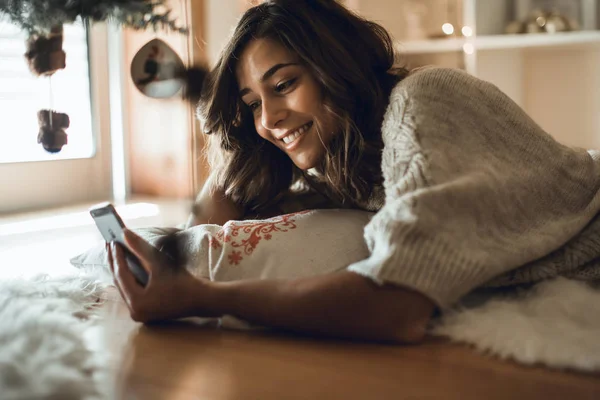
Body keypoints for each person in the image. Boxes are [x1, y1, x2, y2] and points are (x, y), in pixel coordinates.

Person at [107, 0, 600, 343]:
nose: (269, 119)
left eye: (283, 84)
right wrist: (239, 140)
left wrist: (204, 298)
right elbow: (206, 236)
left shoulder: (424, 99)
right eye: (252, 103)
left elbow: (398, 307)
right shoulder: (345, 166)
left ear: (334, 64)